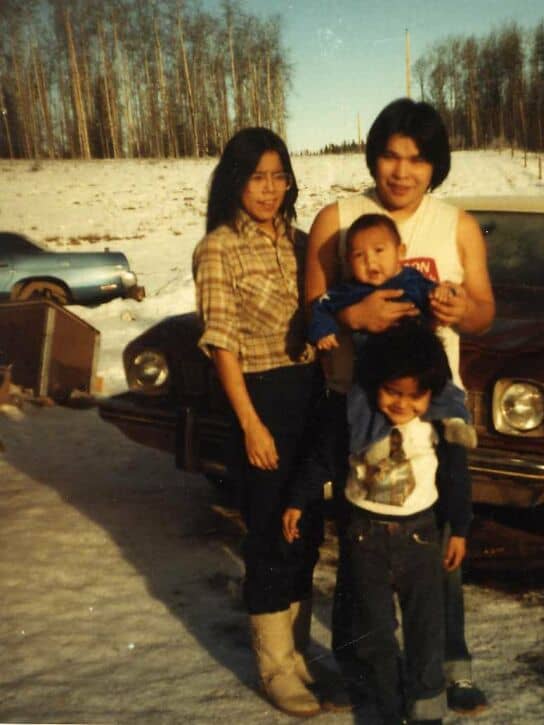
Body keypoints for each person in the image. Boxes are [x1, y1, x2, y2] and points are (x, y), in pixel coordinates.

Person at [305, 97, 495, 715]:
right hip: (358, 403)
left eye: (417, 159)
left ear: (435, 164)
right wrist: (352, 316)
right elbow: (313, 307)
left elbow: (484, 311)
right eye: (390, 156)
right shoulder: (338, 218)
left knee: (438, 543)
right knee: (359, 546)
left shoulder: (457, 224)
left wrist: (461, 309)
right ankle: (360, 668)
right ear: (373, 157)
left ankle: (449, 668)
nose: (402, 171)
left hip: (427, 407)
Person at [192, 127, 327, 718]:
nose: (269, 190)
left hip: (310, 396)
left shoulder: (301, 243)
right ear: (234, 182)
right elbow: (222, 344)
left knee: (307, 530)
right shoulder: (218, 249)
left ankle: (300, 654)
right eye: (256, 178)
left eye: (279, 177)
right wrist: (250, 424)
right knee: (271, 533)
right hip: (260, 400)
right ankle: (275, 667)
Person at [283, 322, 472, 724]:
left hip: (421, 538)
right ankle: (388, 708)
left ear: (431, 393)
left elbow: (456, 477)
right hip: (364, 537)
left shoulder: (436, 423)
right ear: (374, 383)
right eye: (392, 392)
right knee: (374, 633)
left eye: (415, 396)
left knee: (425, 632)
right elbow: (322, 458)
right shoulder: (355, 416)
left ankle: (426, 712)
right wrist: (298, 500)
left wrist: (458, 528)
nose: (402, 404)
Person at [308, 212, 457, 350]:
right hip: (374, 363)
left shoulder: (412, 280)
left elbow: (435, 295)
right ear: (349, 261)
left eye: (379, 250)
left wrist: (443, 293)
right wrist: (323, 330)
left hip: (421, 357)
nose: (370, 261)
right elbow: (321, 305)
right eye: (359, 255)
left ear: (400, 252)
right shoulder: (350, 290)